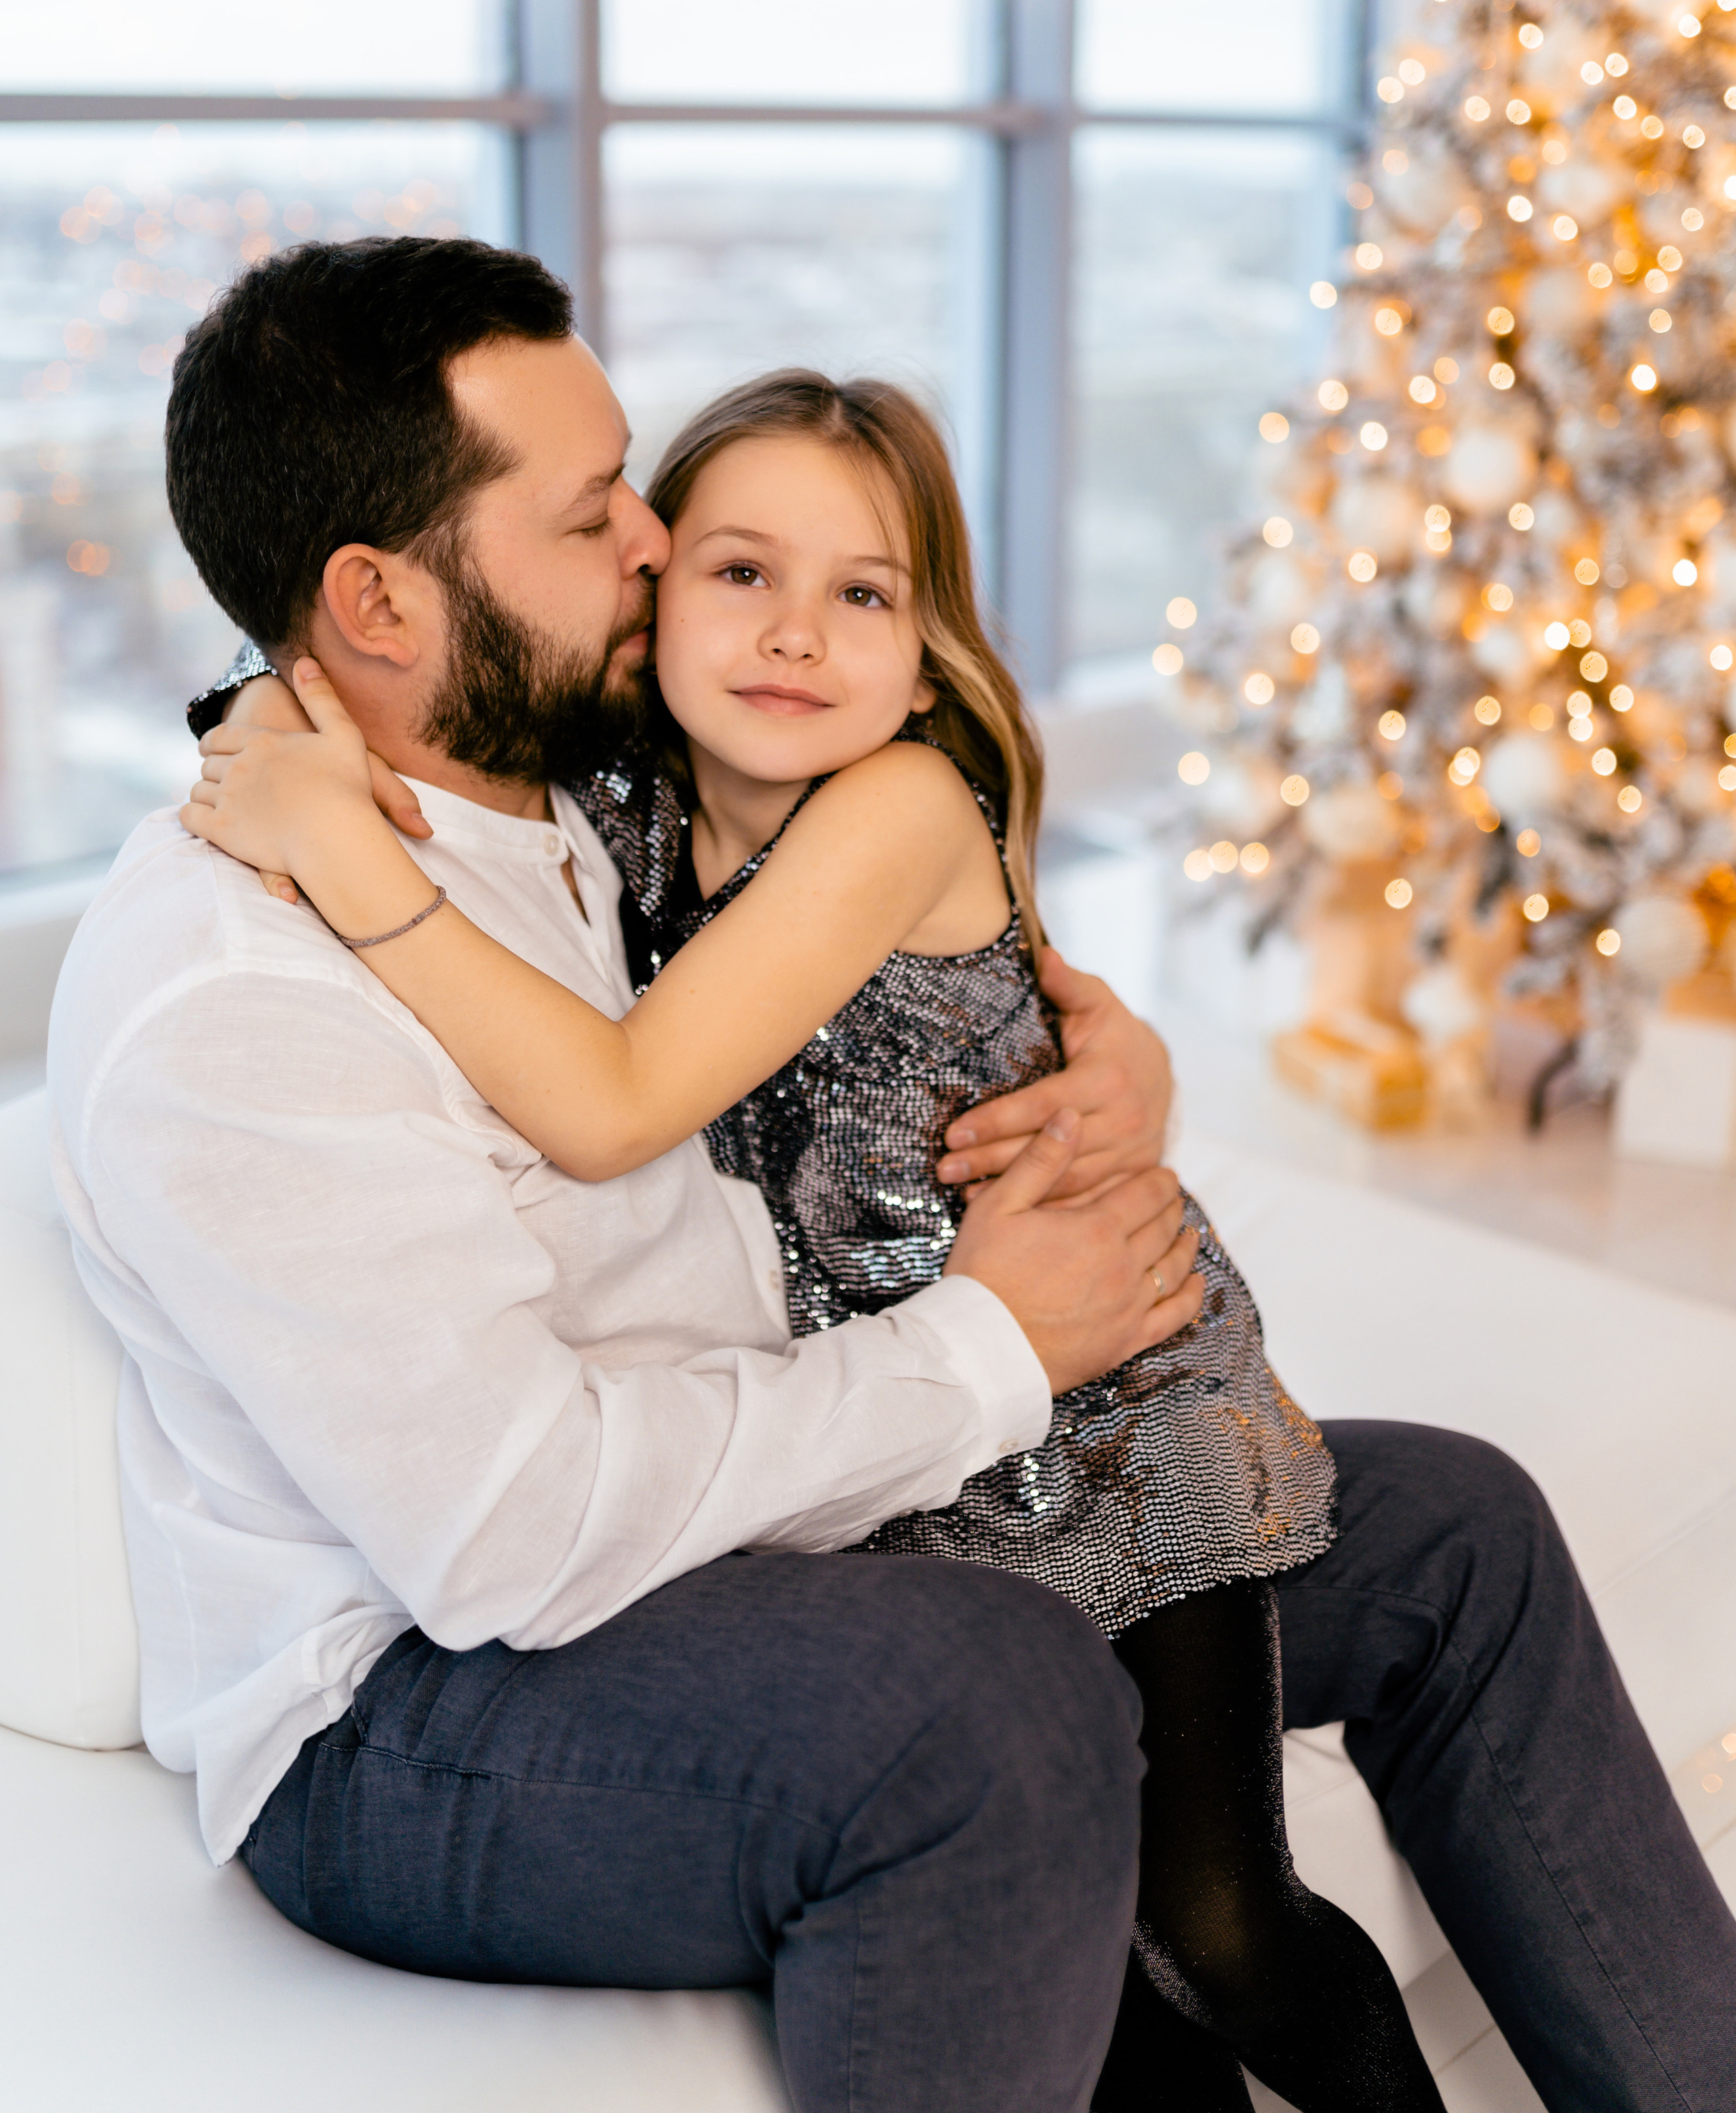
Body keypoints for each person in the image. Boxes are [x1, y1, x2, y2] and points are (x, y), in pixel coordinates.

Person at [48, 237, 1736, 2113]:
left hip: (787, 1505)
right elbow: (514, 1537)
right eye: (596, 508)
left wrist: (1118, 1064)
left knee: (1458, 1536)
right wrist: (996, 1345)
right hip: (425, 1700)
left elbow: (914, 915)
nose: (654, 544)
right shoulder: (237, 999)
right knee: (998, 1700)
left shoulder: (577, 749)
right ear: (375, 602)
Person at [184, 366, 1444, 2112]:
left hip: (1107, 1413)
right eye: (739, 574)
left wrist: (335, 848)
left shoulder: (899, 807)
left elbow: (615, 1099)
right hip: (902, 1444)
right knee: (1109, 1995)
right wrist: (266, 726)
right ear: (653, 603)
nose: (793, 636)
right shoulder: (610, 795)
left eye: (863, 595)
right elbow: (408, 679)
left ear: (928, 658)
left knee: (1216, 1920)